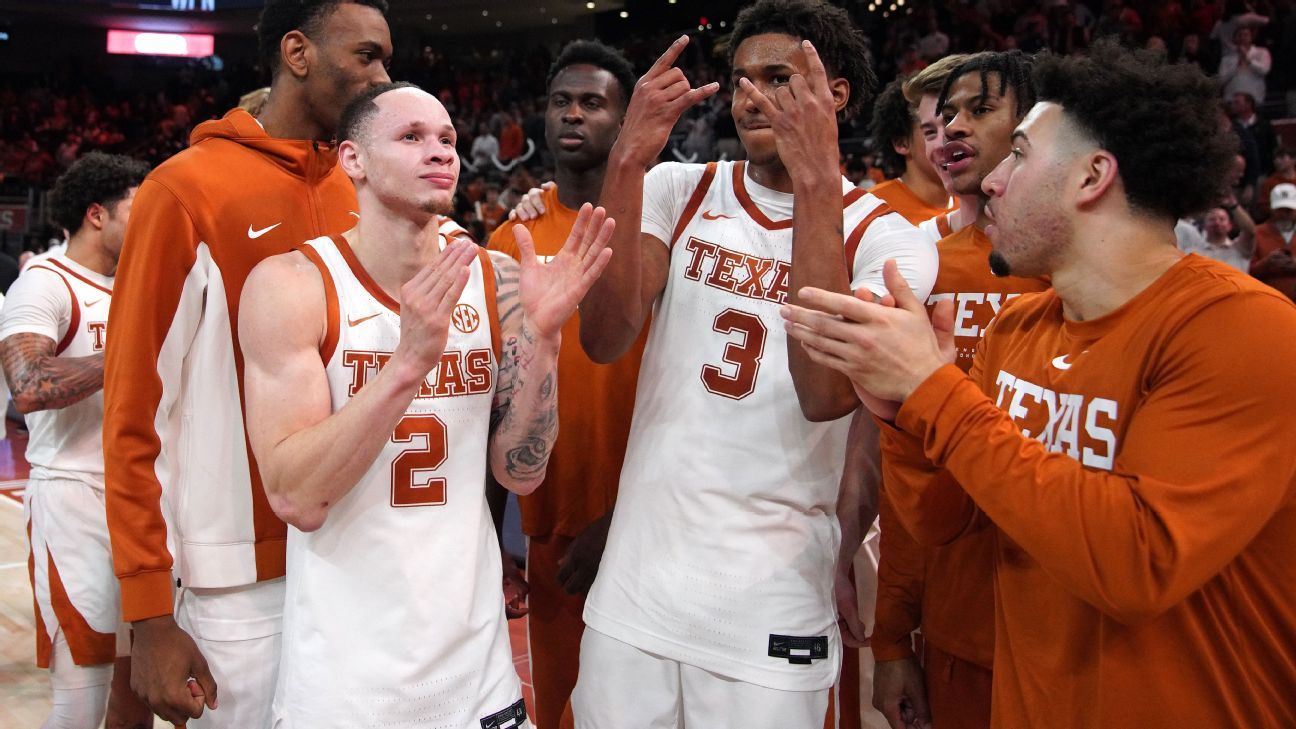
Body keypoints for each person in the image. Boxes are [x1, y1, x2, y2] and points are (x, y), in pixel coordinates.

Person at [782, 40, 1296, 728]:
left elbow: (1135, 562)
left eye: (1019, 154)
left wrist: (936, 391)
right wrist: (904, 417)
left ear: (1091, 178)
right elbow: (942, 521)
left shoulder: (1243, 327)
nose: (994, 180)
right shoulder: (1018, 328)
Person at [572, 1, 937, 725]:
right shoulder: (681, 191)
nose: (751, 96)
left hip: (771, 601)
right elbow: (604, 338)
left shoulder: (889, 239)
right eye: (740, 79)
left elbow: (825, 391)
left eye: (779, 77)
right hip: (637, 591)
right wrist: (630, 160)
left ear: (836, 95)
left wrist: (814, 184)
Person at [238, 81, 613, 728]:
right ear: (352, 159)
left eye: (445, 138)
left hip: (480, 679)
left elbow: (519, 471)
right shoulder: (292, 285)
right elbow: (297, 495)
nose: (439, 151)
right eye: (411, 138)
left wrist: (544, 339)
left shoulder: (492, 281)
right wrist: (406, 364)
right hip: (347, 689)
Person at [101, 1, 392, 726]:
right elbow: (134, 411)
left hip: (359, 562)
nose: (384, 78)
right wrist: (147, 610)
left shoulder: (365, 190)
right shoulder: (184, 190)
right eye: (366, 56)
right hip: (241, 586)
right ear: (298, 53)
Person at [865, 51, 1050, 729]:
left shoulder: (1078, 261)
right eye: (937, 122)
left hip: (1070, 615)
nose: (949, 133)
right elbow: (901, 461)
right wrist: (892, 635)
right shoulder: (911, 257)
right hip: (954, 608)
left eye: (975, 112)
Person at [485, 39, 644, 729]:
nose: (571, 115)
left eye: (592, 102)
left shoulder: (659, 224)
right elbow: (489, 398)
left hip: (651, 525)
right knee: (560, 713)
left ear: (625, 119)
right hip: (550, 532)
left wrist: (627, 518)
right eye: (559, 102)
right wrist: (492, 538)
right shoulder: (506, 241)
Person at [1, 152, 151, 729]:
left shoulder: (140, 285)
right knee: (82, 686)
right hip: (75, 498)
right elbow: (30, 385)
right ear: (96, 214)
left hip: (147, 498)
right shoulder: (44, 282)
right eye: (136, 208)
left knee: (143, 681)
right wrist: (128, 350)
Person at [868, 79, 954, 225]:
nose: (949, 140)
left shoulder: (974, 206)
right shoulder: (871, 209)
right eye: (931, 132)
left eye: (950, 123)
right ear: (902, 143)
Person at [1250, 182, 1296, 299]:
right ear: (1271, 208)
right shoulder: (1256, 233)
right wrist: (1267, 263)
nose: (1285, 214)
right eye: (1280, 209)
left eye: (1289, 210)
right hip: (1268, 300)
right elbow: (1244, 271)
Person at [1181, 199, 1255, 271]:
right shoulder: (1192, 252)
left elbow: (1250, 231)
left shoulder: (1240, 249)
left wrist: (1233, 205)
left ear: (1230, 225)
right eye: (1212, 219)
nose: (1217, 222)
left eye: (1222, 219)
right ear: (1204, 226)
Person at [1219, 26, 1270, 102]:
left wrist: (1248, 60)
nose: (1242, 38)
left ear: (1251, 37)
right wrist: (1236, 66)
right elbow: (1221, 80)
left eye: (1246, 35)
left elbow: (1264, 70)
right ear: (1234, 38)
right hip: (1231, 100)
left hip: (1254, 98)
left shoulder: (1262, 52)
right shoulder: (1227, 58)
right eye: (1240, 35)